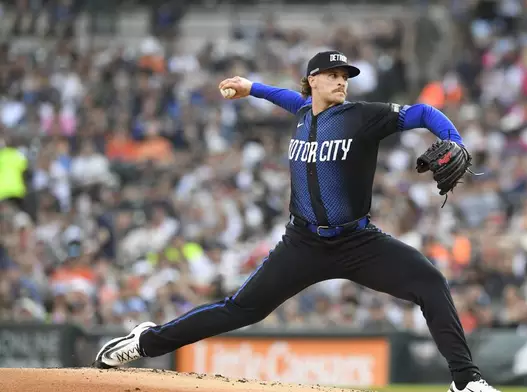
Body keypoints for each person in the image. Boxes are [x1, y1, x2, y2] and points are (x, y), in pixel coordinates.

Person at [94, 51, 499, 392]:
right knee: (240, 309)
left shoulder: (363, 117)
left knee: (430, 282)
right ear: (313, 80)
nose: (342, 82)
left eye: (346, 76)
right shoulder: (304, 111)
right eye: (334, 75)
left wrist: (457, 140)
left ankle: (465, 381)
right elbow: (287, 98)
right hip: (303, 244)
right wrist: (251, 87)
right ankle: (146, 341)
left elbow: (424, 112)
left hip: (359, 242)